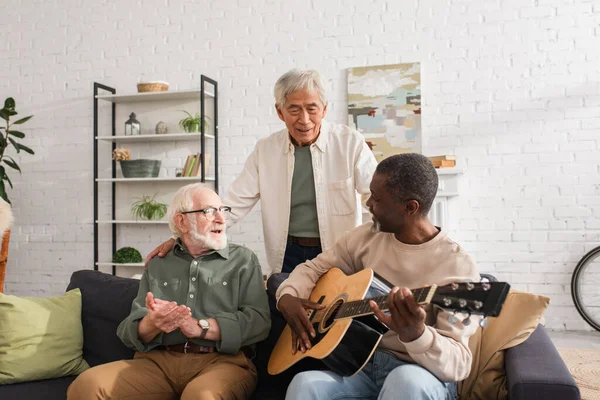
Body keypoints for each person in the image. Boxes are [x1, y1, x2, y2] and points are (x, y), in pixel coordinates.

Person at [276, 153, 480, 400]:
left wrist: (418, 334)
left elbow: (459, 364)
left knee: (404, 381)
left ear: (410, 207)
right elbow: (313, 268)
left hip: (422, 374)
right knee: (304, 384)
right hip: (362, 367)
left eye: (377, 198)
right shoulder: (364, 238)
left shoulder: (458, 267)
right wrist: (287, 295)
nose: (368, 203)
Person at [146, 68, 377, 276]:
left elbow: (376, 201)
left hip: (339, 252)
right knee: (290, 319)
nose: (304, 120)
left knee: (338, 318)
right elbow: (233, 205)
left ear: (324, 109)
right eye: (294, 110)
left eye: (312, 109)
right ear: (280, 112)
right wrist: (180, 239)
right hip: (288, 254)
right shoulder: (266, 150)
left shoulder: (350, 143)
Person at [67, 183, 270, 400]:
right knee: (87, 385)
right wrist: (151, 324)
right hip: (157, 363)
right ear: (182, 221)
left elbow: (259, 322)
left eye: (223, 210)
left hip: (222, 362)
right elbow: (129, 328)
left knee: (201, 396)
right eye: (209, 211)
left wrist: (200, 327)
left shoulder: (243, 260)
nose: (221, 219)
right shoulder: (159, 263)